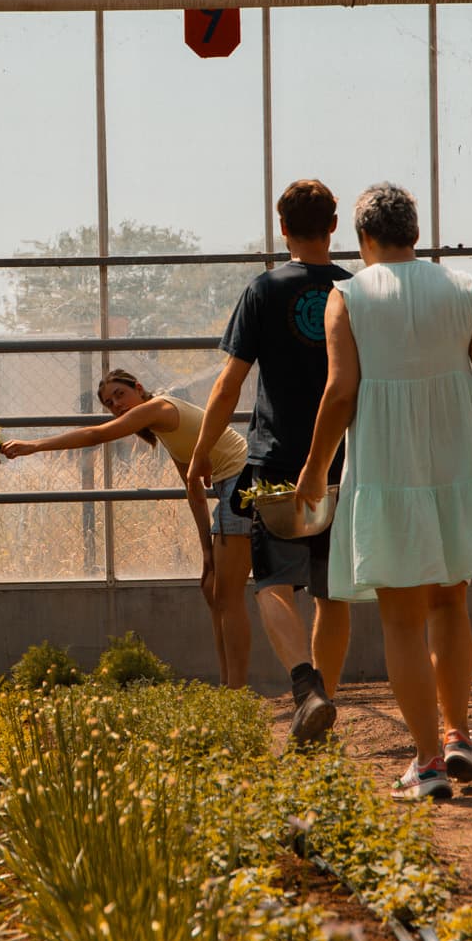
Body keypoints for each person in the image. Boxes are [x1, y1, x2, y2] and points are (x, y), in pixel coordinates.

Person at [294, 182, 472, 801]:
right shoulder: (465, 289)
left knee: (401, 619)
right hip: (458, 462)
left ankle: (427, 763)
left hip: (389, 470)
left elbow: (340, 392)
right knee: (450, 604)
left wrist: (314, 469)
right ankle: (459, 735)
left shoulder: (347, 296)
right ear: (415, 234)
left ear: (363, 238)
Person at [188, 178, 352, 747]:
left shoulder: (262, 290)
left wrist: (202, 451)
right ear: (334, 226)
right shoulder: (353, 290)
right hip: (342, 461)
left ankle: (306, 688)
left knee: (273, 584)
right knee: (333, 591)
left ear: (282, 227)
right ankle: (324, 697)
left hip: (277, 459)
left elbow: (229, 384)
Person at [0, 370, 253, 687]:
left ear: (139, 389)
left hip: (244, 481)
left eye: (120, 394)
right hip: (231, 486)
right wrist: (206, 553)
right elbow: (194, 491)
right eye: (109, 403)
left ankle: (236, 691)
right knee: (212, 589)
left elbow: (95, 435)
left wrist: (34, 446)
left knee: (227, 595)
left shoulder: (158, 407)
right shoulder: (164, 431)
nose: (116, 405)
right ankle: (228, 684)